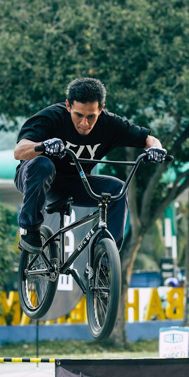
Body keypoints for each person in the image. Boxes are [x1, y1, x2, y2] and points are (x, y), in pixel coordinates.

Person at [13, 77, 166, 253]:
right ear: (68, 106)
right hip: (35, 178)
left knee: (118, 189)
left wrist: (156, 149)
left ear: (100, 109)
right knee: (43, 164)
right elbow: (19, 151)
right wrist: (43, 146)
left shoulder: (109, 124)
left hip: (76, 183)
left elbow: (149, 140)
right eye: (78, 115)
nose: (84, 123)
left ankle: (107, 257)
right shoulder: (51, 117)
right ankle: (30, 228)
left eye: (91, 116)